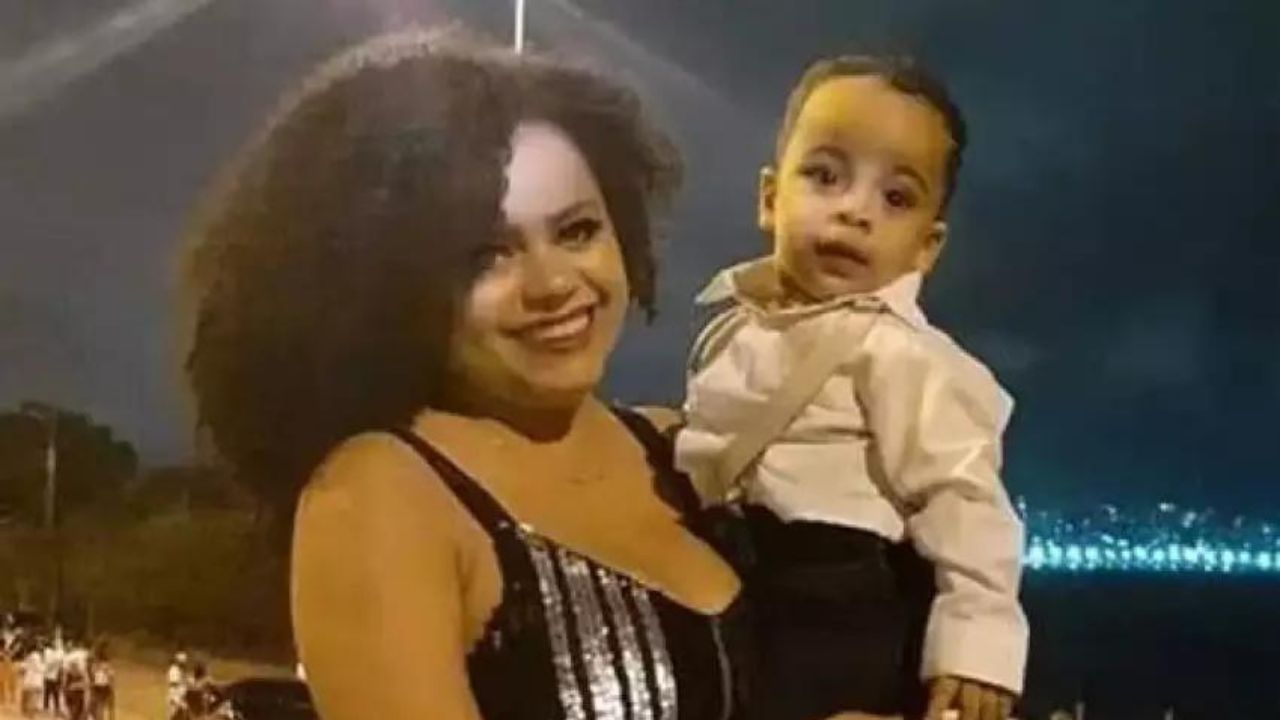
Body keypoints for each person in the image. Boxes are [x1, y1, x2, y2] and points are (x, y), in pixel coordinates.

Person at [181, 28, 743, 720]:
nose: (552, 284)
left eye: (577, 231)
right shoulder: (377, 493)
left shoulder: (686, 451)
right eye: (486, 255)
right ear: (383, 283)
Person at [676, 55, 1028, 720]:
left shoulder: (905, 356)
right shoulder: (733, 327)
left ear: (927, 246)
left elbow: (965, 500)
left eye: (896, 198)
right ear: (770, 198)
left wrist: (975, 648)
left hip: (835, 601)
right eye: (825, 176)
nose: (854, 210)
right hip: (732, 575)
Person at [89, 642, 114, 720]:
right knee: (107, 707)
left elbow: (92, 675)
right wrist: (111, 687)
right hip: (105, 686)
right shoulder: (107, 665)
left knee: (98, 706)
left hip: (97, 686)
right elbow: (111, 676)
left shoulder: (94, 665)